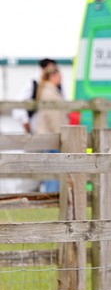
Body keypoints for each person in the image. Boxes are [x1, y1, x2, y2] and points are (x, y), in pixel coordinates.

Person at [31, 61, 66, 194]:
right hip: (53, 137)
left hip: (49, 135)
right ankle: (52, 196)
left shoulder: (47, 91)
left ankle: (52, 194)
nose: (61, 79)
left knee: (52, 169)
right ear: (53, 76)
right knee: (54, 170)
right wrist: (61, 136)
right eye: (59, 76)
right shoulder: (50, 93)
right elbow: (53, 118)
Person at [12, 58, 57, 134]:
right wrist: (25, 121)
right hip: (35, 127)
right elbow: (18, 103)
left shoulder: (56, 86)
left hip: (51, 127)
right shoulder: (33, 84)